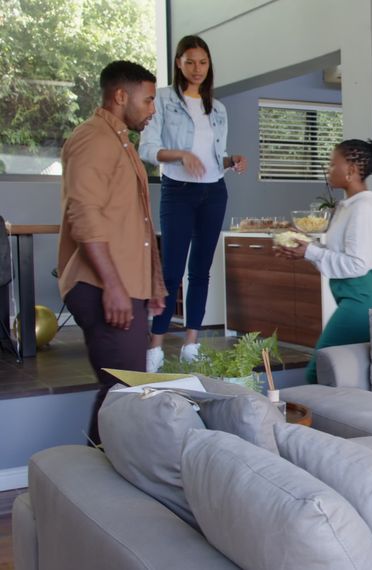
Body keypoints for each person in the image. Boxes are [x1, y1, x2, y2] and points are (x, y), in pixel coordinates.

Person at [58, 60, 166, 446]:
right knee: (122, 391)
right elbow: (84, 216)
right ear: (121, 96)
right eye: (149, 100)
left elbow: (135, 226)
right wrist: (115, 288)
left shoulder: (121, 142)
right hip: (102, 285)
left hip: (123, 285)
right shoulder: (93, 139)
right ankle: (93, 488)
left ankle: (100, 485)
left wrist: (152, 285)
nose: (153, 110)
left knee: (124, 392)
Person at [139, 35, 246, 372]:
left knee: (200, 272)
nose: (197, 69)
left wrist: (231, 161)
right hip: (178, 191)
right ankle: (154, 345)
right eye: (190, 62)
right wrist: (181, 155)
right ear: (178, 63)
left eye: (203, 62)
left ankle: (191, 344)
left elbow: (213, 157)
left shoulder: (219, 107)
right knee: (171, 272)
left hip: (214, 192)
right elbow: (147, 149)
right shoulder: (162, 100)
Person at [274, 138, 372, 383]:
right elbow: (337, 253)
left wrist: (311, 251)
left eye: (332, 165)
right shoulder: (347, 207)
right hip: (354, 295)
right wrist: (304, 248)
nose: (328, 170)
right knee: (345, 372)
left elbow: (356, 264)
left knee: (319, 369)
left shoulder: (362, 209)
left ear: (350, 170)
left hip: (362, 298)